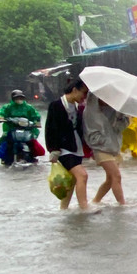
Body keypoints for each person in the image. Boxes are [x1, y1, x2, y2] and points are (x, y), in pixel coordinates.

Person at [45, 78, 91, 210]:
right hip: (63, 149)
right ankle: (84, 208)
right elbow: (50, 128)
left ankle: (63, 210)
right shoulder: (56, 105)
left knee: (72, 181)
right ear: (74, 90)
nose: (84, 96)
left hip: (76, 148)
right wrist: (53, 149)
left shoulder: (77, 107)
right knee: (82, 175)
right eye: (83, 93)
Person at [83, 93, 130, 205]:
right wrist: (102, 141)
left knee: (110, 180)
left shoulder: (115, 110)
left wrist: (120, 117)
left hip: (113, 147)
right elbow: (91, 133)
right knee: (116, 176)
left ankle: (95, 201)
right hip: (100, 148)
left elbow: (119, 129)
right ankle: (122, 205)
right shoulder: (90, 111)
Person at [0, 90, 42, 166]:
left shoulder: (28, 107)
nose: (19, 99)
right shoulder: (7, 107)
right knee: (4, 139)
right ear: (13, 99)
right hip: (11, 129)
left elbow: (36, 116)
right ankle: (5, 157)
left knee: (32, 140)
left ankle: (33, 155)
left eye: (21, 98)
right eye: (17, 98)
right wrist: (0, 118)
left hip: (27, 129)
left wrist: (36, 122)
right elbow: (0, 113)